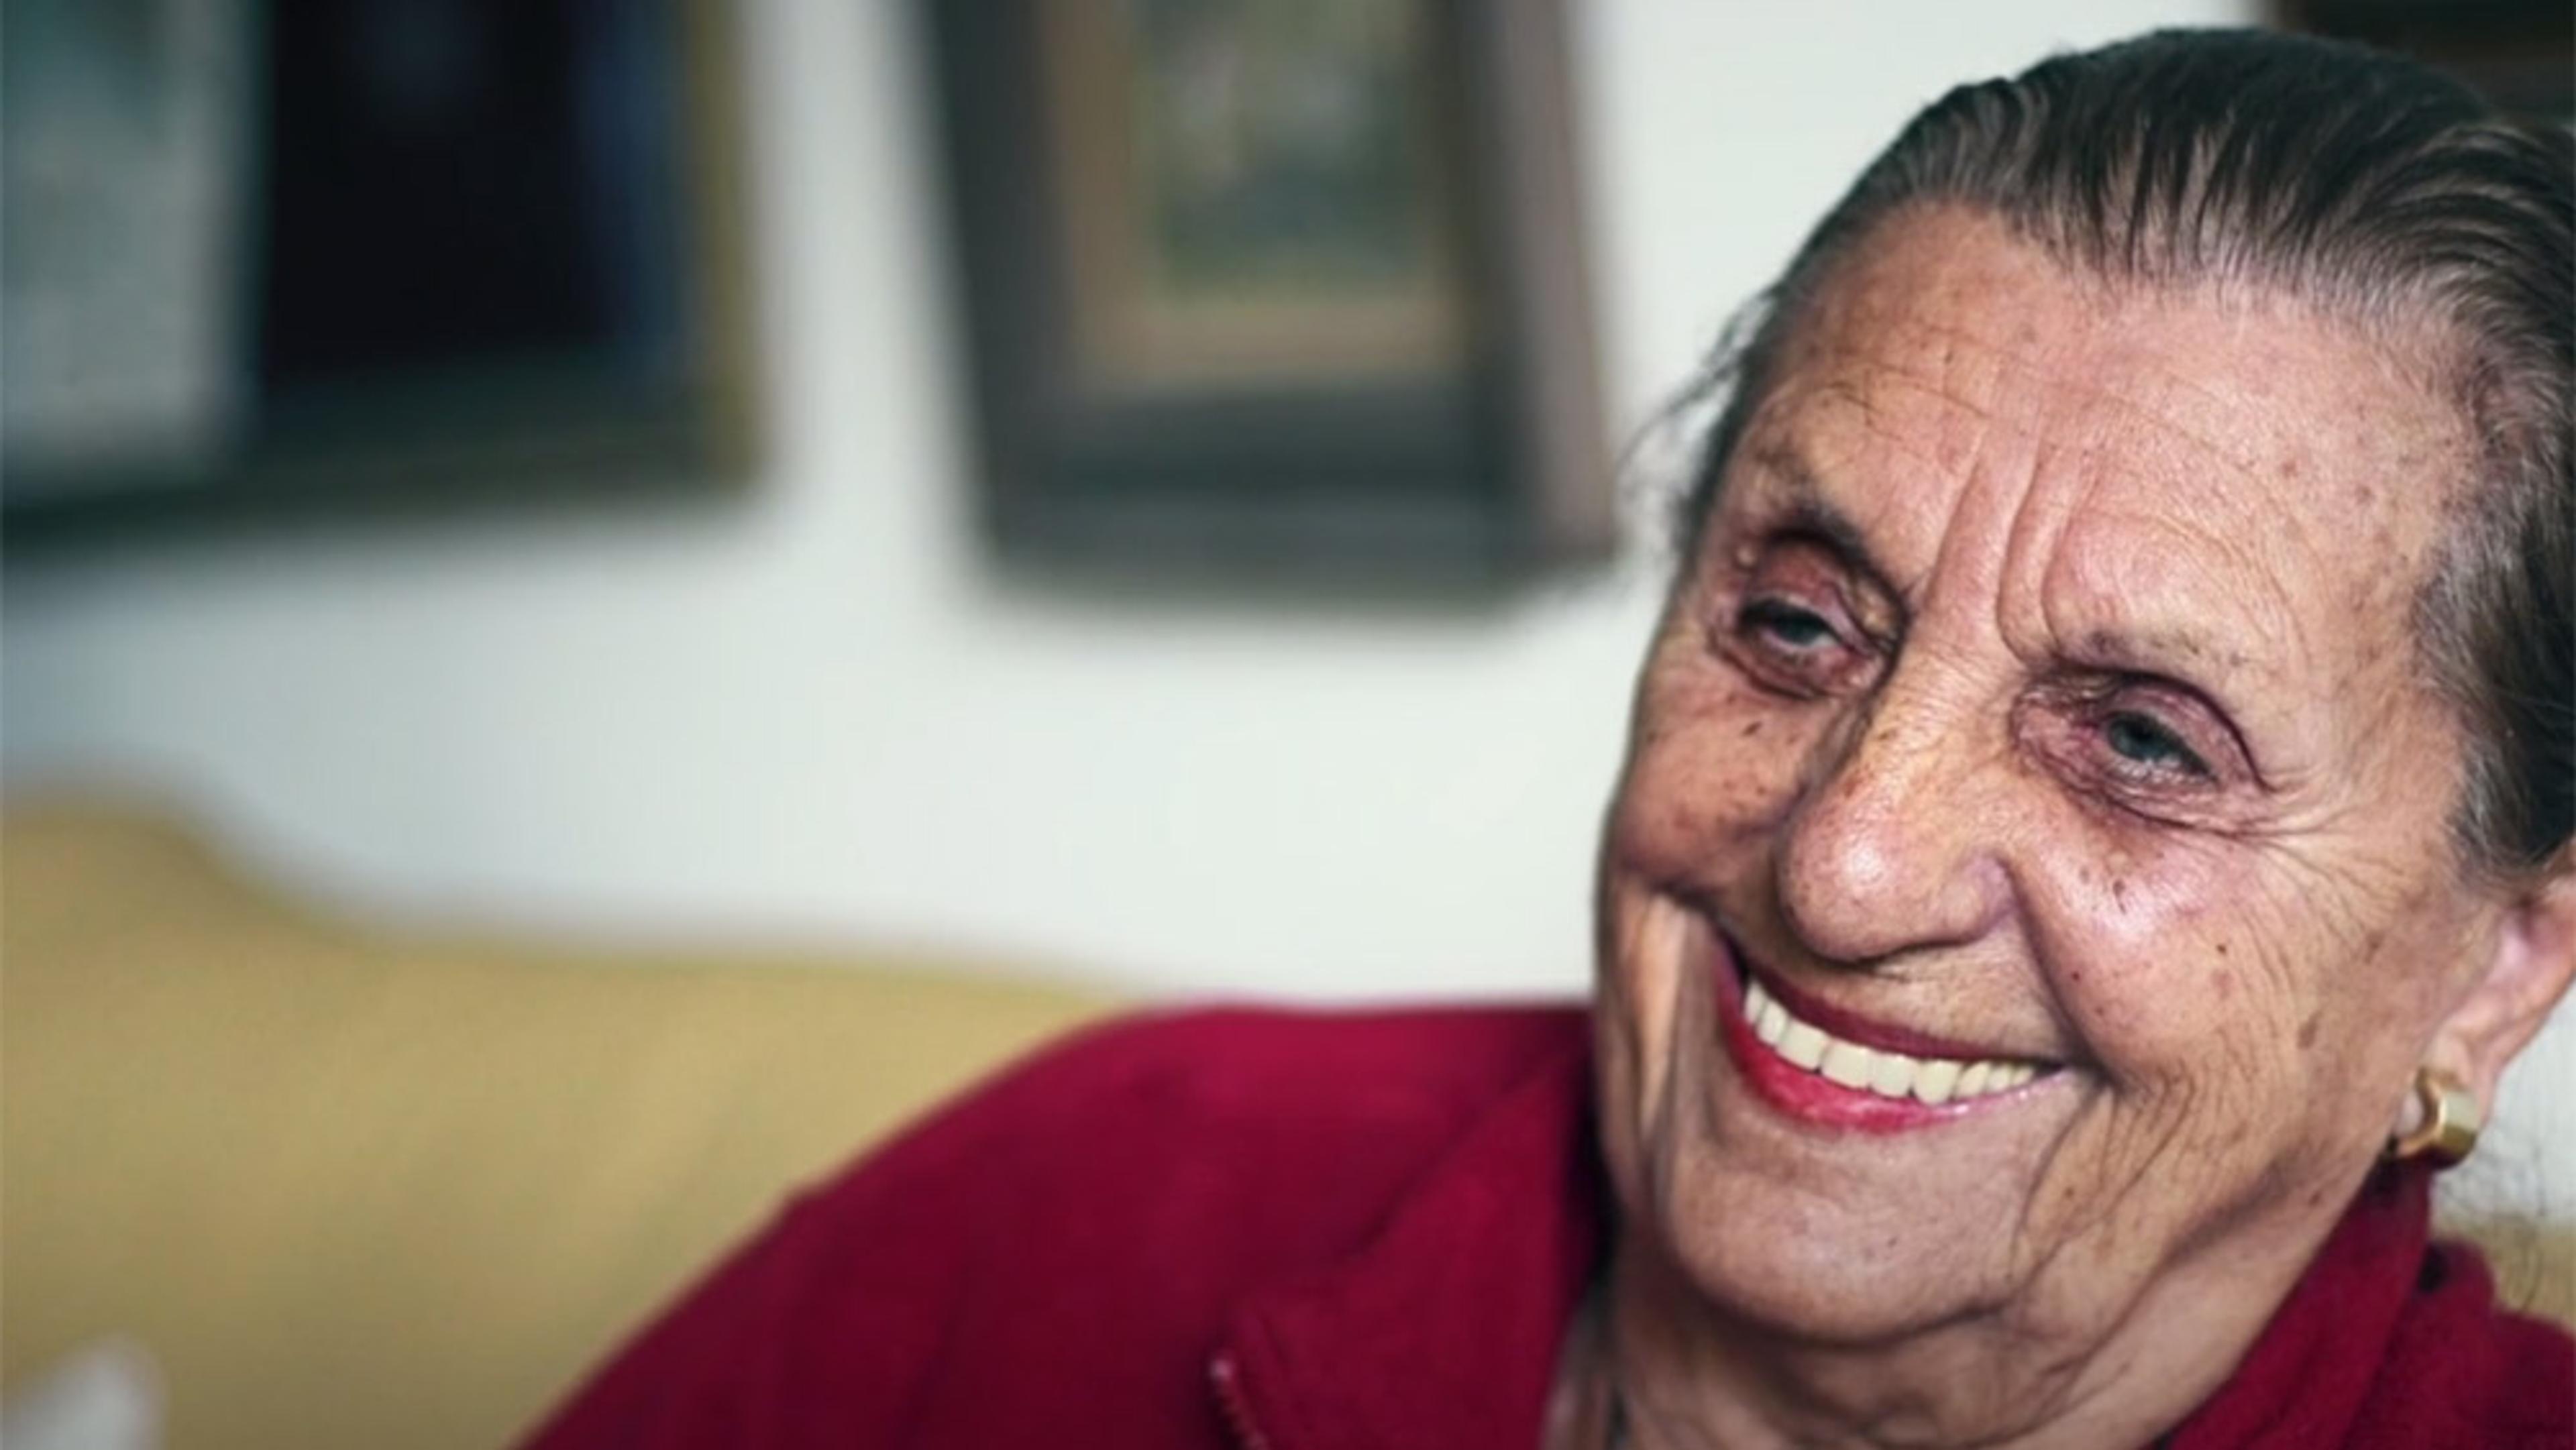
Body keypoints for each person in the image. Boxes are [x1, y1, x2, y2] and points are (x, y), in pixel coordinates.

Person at [521, 28, 2573, 1449]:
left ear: (2496, 966)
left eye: (2139, 738)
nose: (1845, 860)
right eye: (1793, 619)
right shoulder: (1082, 1203)